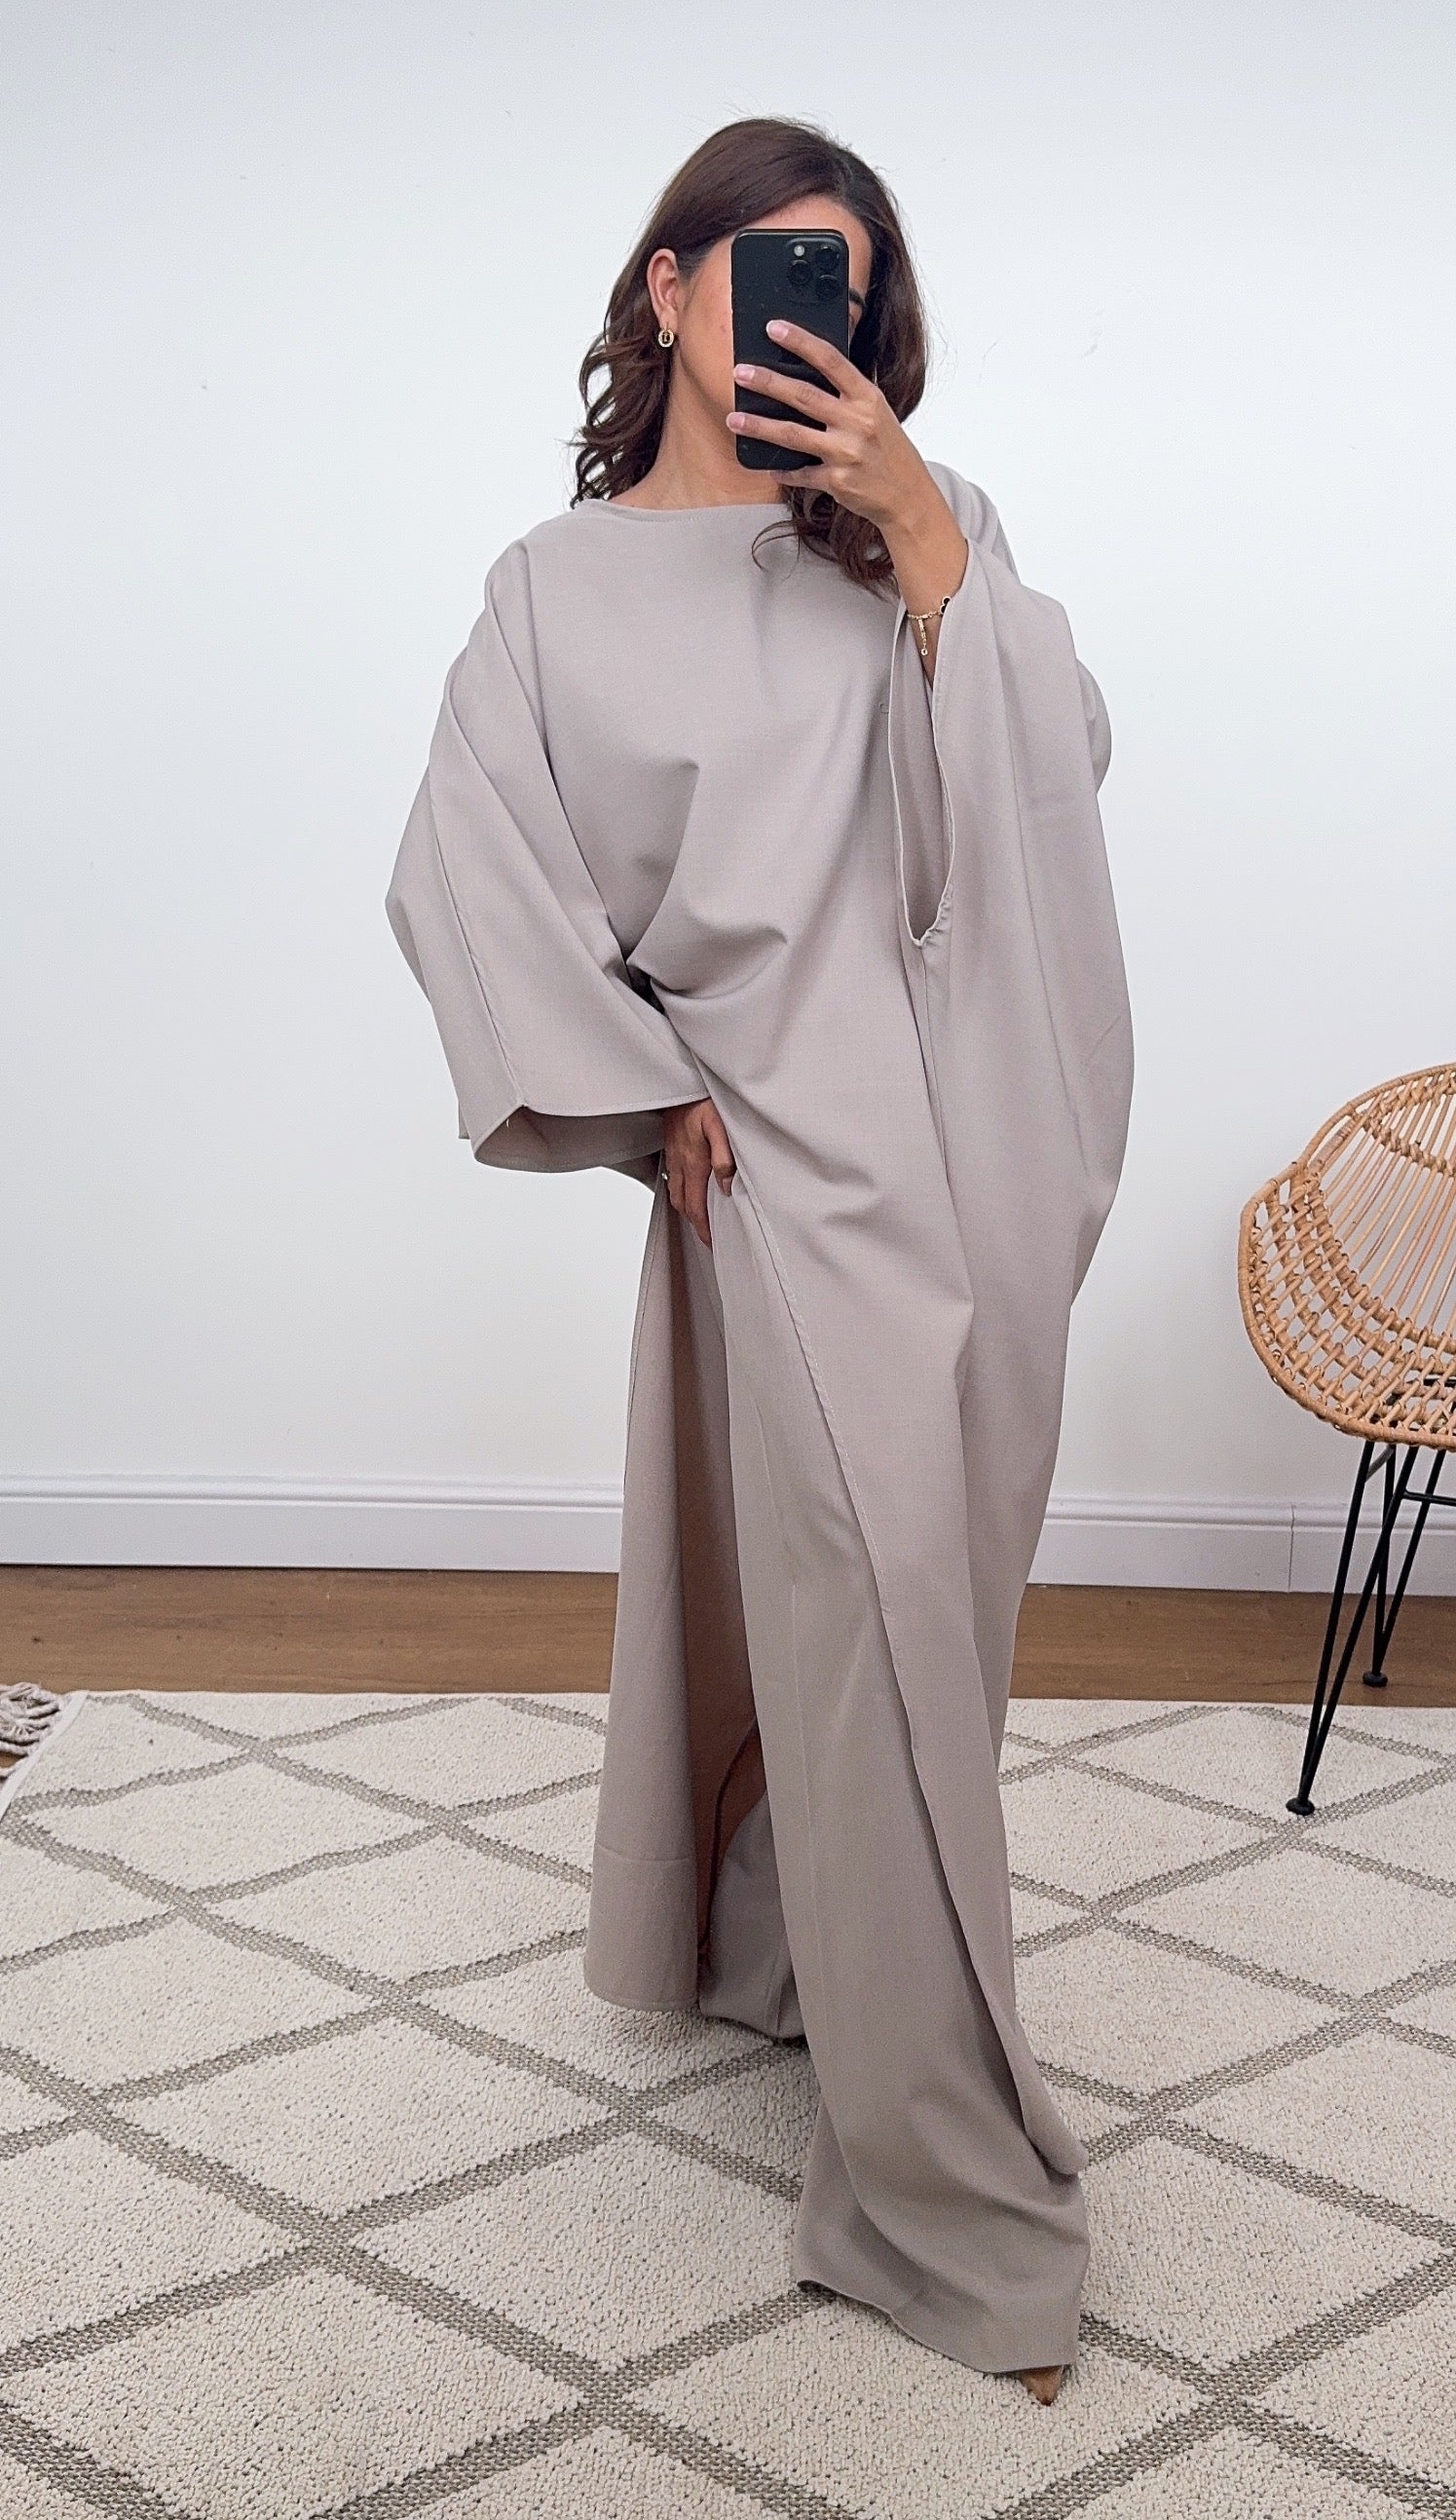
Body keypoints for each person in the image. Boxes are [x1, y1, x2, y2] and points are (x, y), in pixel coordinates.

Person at [389, 117, 1131, 2395]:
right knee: (877, 1626)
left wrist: (923, 540)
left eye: (859, 290)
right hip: (784, 1174)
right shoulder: (551, 590)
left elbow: (1047, 788)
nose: (829, 317)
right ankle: (945, 2203)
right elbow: (466, 867)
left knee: (922, 1622)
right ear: (670, 286)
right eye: (788, 268)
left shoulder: (923, 526)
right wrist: (646, 1089)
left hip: (984, 1135)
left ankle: (791, 1946)